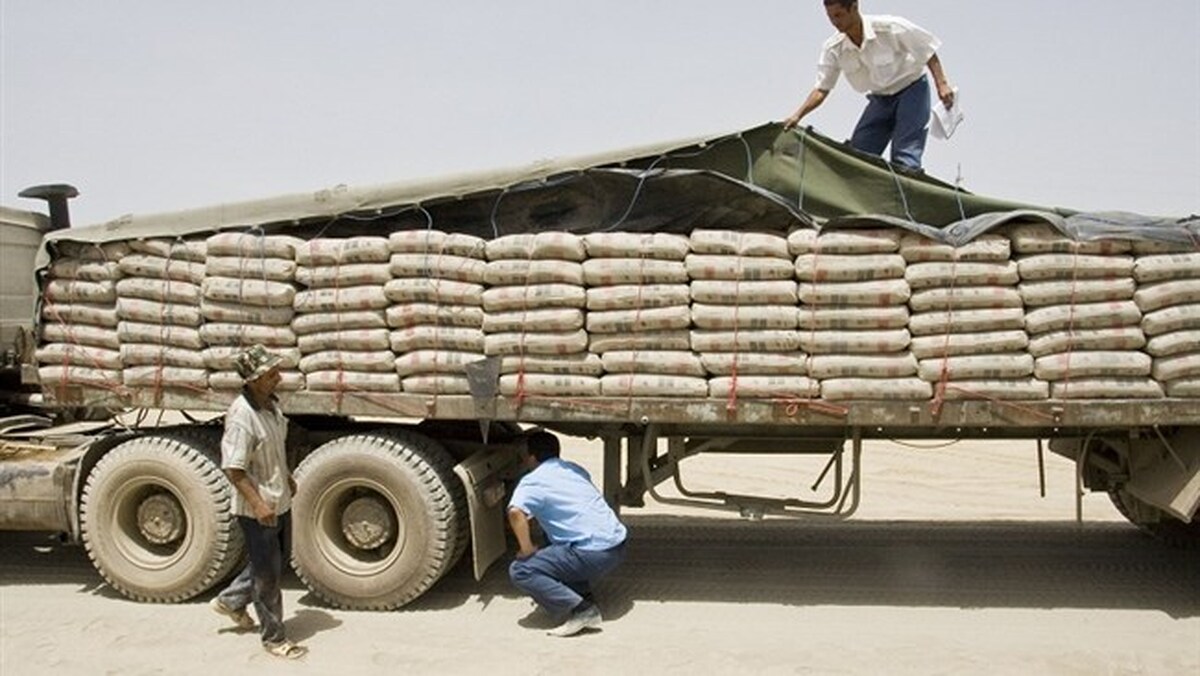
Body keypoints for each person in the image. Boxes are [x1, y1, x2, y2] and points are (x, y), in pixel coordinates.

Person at [209, 344, 307, 659]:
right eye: (270, 374)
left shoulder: (271, 407)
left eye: (276, 371)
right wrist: (258, 505)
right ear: (252, 380)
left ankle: (231, 600)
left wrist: (287, 476)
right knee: (268, 576)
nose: (278, 377)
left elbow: (273, 451)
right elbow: (234, 469)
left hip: (279, 499)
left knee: (275, 563)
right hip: (259, 509)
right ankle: (274, 639)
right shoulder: (242, 416)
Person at [783, 0, 955, 171]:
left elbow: (927, 51)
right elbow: (822, 88)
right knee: (858, 154)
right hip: (880, 99)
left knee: (904, 158)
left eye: (839, 15)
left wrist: (942, 85)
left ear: (854, 7)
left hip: (911, 90)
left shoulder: (890, 28)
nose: (835, 22)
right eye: (830, 17)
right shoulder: (834, 48)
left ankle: (905, 192)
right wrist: (797, 115)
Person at [508, 431, 628, 637]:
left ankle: (583, 610)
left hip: (592, 554)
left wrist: (526, 549)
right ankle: (582, 595)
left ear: (532, 457)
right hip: (617, 546)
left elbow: (515, 513)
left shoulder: (532, 481)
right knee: (551, 537)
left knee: (521, 570)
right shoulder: (574, 469)